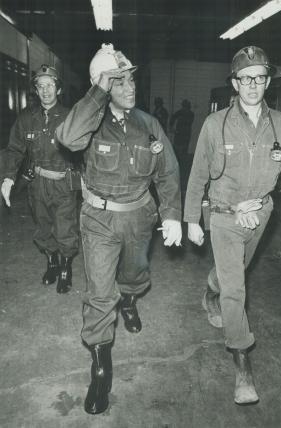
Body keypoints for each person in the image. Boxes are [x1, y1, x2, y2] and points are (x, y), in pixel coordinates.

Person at [184, 46, 281, 405]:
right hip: (224, 213)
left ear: (267, 82)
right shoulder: (216, 125)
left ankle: (211, 287)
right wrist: (191, 220)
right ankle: (242, 363)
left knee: (232, 276)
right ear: (234, 82)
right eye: (246, 78)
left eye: (260, 78)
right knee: (237, 290)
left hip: (261, 214)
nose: (253, 85)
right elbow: (198, 174)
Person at [56, 43, 182, 415]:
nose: (130, 87)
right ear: (104, 86)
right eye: (119, 81)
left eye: (131, 79)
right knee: (99, 292)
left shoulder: (149, 124)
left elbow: (168, 172)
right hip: (98, 219)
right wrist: (98, 88)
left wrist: (172, 214)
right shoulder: (90, 123)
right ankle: (101, 368)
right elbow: (67, 137)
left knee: (135, 275)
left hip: (140, 216)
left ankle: (130, 299)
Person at [1, 64, 80, 294]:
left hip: (63, 183)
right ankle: (52, 263)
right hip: (37, 185)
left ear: (59, 89)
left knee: (65, 229)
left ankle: (66, 269)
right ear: (35, 90)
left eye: (50, 85)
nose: (45, 91)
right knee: (43, 228)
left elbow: (84, 149)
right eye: (40, 86)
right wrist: (7, 178)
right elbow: (14, 149)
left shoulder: (69, 116)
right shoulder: (27, 118)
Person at [170, 99, 194, 165]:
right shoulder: (180, 112)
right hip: (180, 133)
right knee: (177, 147)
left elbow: (188, 122)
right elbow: (172, 118)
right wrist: (171, 127)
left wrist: (172, 127)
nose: (185, 107)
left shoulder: (190, 114)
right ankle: (178, 161)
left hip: (184, 133)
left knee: (183, 148)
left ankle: (181, 161)